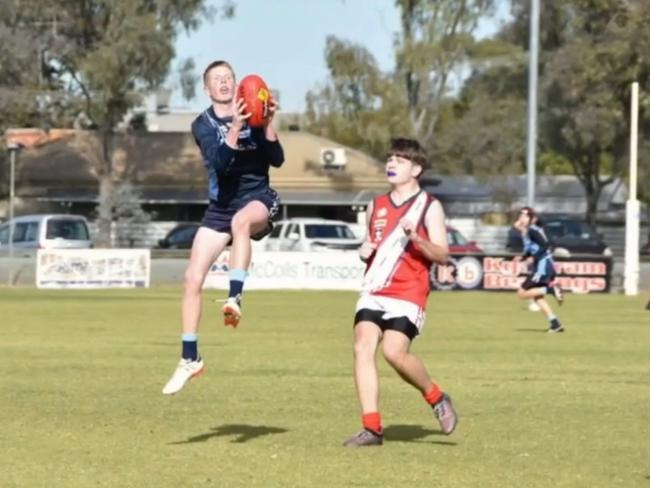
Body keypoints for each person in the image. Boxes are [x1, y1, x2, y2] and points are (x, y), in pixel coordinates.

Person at [162, 60, 284, 395]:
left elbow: (277, 159)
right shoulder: (202, 124)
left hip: (258, 197)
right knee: (191, 279)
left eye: (229, 77)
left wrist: (268, 122)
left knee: (241, 222)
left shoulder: (255, 112)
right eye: (217, 79)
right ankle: (190, 358)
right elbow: (218, 162)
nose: (225, 83)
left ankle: (235, 297)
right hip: (221, 205)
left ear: (237, 83)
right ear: (207, 89)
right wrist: (235, 127)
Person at [343, 138, 458, 447]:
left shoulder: (429, 207)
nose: (391, 164)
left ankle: (436, 397)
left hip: (409, 292)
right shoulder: (375, 205)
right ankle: (372, 428)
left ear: (416, 168)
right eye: (390, 158)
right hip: (374, 289)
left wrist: (417, 240)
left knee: (394, 353)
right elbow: (372, 247)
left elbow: (443, 255)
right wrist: (363, 250)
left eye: (400, 160)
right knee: (362, 346)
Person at [513, 207, 565, 333]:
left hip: (543, 267)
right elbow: (533, 248)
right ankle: (555, 323)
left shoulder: (531, 230)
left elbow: (545, 245)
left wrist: (533, 257)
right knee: (537, 297)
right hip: (544, 266)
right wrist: (523, 257)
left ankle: (551, 289)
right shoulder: (528, 231)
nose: (521, 219)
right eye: (521, 216)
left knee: (521, 293)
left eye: (525, 216)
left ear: (531, 219)